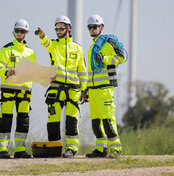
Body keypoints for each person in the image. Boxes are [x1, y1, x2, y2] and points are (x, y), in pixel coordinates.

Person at [36, 15, 87, 158]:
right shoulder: (53, 44)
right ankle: (54, 147)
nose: (58, 31)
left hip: (73, 89)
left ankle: (71, 148)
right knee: (53, 119)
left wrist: (84, 89)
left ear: (68, 28)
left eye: (61, 28)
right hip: (55, 88)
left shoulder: (77, 48)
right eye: (56, 29)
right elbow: (45, 43)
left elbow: (82, 70)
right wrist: (42, 35)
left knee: (72, 120)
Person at [85, 14, 126, 158]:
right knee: (96, 121)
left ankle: (116, 150)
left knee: (108, 119)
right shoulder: (91, 49)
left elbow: (122, 57)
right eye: (89, 27)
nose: (92, 29)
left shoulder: (109, 42)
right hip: (93, 90)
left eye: (94, 27)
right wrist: (86, 89)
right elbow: (90, 72)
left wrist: (105, 59)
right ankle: (101, 150)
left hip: (105, 88)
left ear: (101, 28)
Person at [0, 19, 37, 159]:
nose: (19, 33)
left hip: (25, 92)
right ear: (13, 32)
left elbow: (34, 70)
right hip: (9, 91)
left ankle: (20, 149)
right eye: (17, 31)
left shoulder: (31, 52)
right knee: (6, 119)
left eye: (22, 31)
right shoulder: (6, 49)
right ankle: (2, 149)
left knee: (23, 121)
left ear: (26, 34)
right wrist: (6, 72)